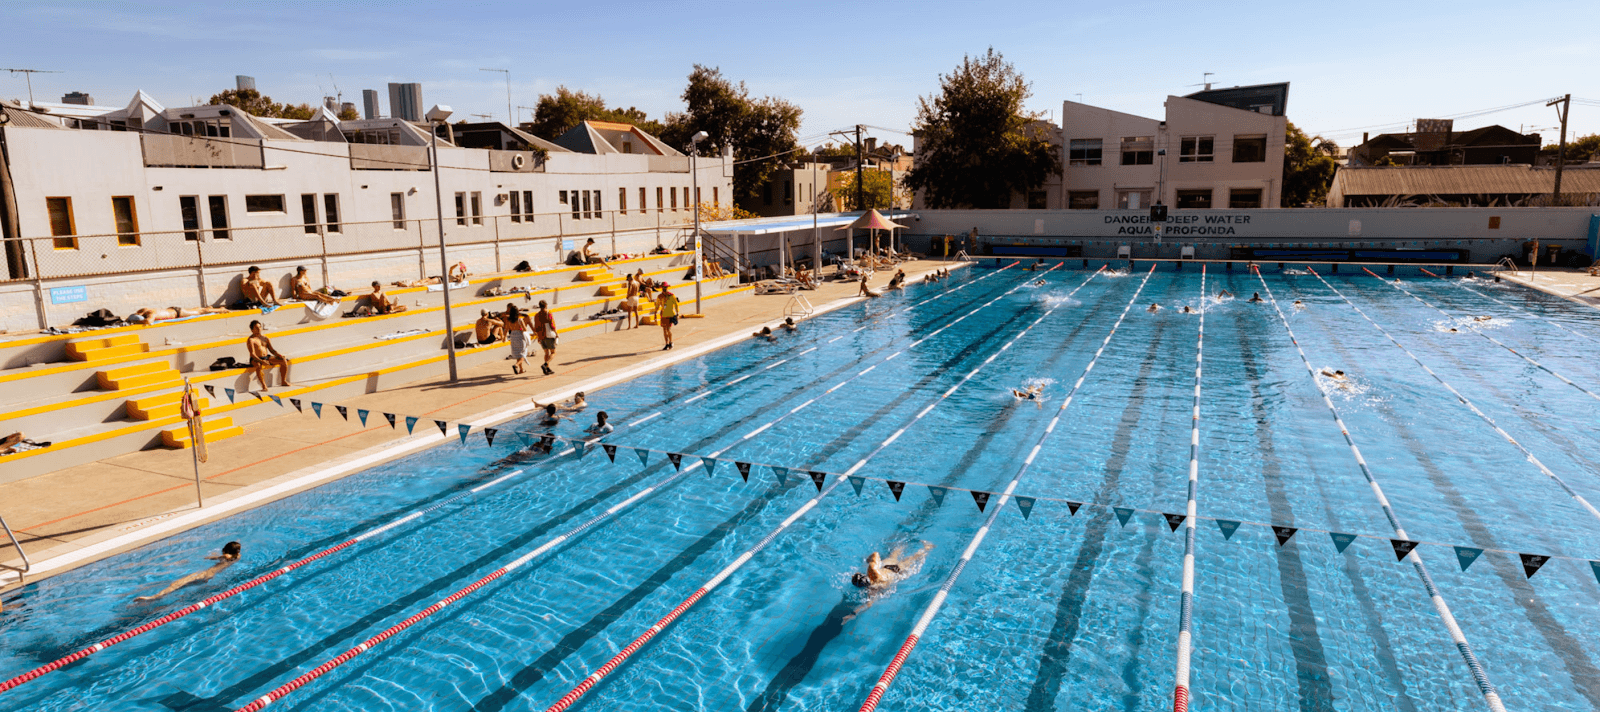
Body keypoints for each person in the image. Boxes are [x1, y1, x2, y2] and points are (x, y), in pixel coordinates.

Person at [846, 541, 934, 620]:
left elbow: (868, 605)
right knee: (897, 553)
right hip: (887, 565)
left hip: (897, 571)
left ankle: (928, 548)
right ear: (864, 575)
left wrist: (854, 613)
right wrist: (868, 560)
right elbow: (875, 554)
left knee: (914, 558)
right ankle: (909, 542)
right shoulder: (872, 571)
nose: (852, 575)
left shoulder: (872, 590)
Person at [134, 541, 241, 602]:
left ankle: (154, 597)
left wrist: (211, 557)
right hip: (208, 577)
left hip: (204, 575)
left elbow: (224, 556)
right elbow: (232, 554)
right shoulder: (237, 556)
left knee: (176, 584)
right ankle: (158, 597)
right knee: (180, 586)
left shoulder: (227, 556)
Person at [246, 320, 292, 389]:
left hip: (266, 357)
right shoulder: (251, 340)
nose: (259, 329)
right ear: (252, 330)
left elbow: (272, 350)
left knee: (283, 360)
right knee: (258, 366)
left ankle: (283, 381)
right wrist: (262, 361)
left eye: (260, 327)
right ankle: (264, 385)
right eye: (256, 328)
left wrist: (279, 355)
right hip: (255, 359)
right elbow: (252, 354)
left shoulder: (265, 338)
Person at [505, 303, 532, 374]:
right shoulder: (519, 320)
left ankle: (521, 369)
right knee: (523, 354)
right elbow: (525, 329)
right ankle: (516, 365)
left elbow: (506, 330)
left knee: (517, 354)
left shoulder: (508, 320)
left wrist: (503, 337)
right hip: (520, 336)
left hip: (513, 336)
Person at [533, 300, 558, 375]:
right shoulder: (548, 313)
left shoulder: (536, 315)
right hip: (548, 335)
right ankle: (545, 364)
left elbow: (536, 328)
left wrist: (538, 337)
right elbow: (552, 325)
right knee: (553, 352)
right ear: (546, 305)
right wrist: (556, 333)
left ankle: (547, 368)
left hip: (541, 335)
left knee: (546, 353)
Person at [126, 306, 231, 324]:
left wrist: (137, 321)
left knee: (199, 312)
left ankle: (220, 310)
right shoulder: (144, 309)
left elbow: (148, 321)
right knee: (197, 310)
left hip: (177, 313)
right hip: (172, 310)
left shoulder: (150, 313)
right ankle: (211, 309)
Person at [656, 283, 681, 350]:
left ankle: (671, 341)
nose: (664, 289)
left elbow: (676, 304)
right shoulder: (660, 296)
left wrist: (677, 313)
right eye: (663, 287)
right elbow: (657, 305)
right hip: (663, 314)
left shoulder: (671, 295)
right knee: (664, 329)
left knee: (668, 329)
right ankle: (666, 343)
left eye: (665, 287)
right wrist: (655, 313)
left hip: (670, 314)